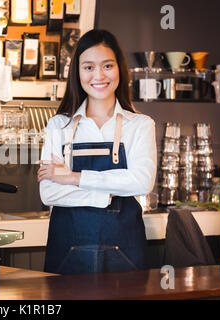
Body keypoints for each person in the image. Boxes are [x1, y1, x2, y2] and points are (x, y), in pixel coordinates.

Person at [37, 29, 157, 275]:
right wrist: (106, 195)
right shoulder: (59, 126)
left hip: (125, 254)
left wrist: (74, 178)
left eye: (107, 66)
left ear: (119, 70)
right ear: (77, 72)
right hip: (67, 254)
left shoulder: (140, 125)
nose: (99, 75)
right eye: (89, 67)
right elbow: (49, 193)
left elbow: (142, 182)